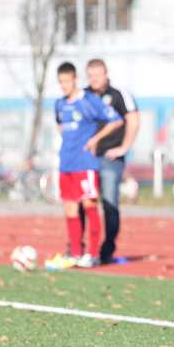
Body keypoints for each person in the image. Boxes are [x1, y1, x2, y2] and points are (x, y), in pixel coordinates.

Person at [53, 61, 123, 268]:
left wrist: (95, 139)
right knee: (70, 209)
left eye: (67, 81)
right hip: (66, 163)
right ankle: (75, 252)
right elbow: (60, 125)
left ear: (75, 79)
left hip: (85, 163)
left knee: (89, 205)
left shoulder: (89, 100)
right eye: (60, 82)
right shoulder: (59, 103)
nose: (64, 85)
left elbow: (116, 120)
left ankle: (92, 254)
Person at [83, 59, 140, 265]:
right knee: (84, 202)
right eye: (90, 75)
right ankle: (83, 248)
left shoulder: (119, 95)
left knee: (109, 202)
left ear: (106, 74)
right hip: (86, 159)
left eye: (97, 75)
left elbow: (133, 120)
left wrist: (124, 148)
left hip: (110, 157)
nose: (94, 79)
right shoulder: (84, 96)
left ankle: (107, 249)